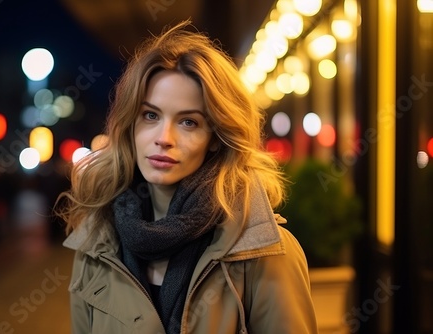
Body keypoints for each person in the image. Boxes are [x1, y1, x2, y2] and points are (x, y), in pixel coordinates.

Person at [57, 20, 318, 334]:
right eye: (150, 115)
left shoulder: (264, 250)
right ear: (130, 126)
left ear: (216, 138)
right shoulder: (96, 245)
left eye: (189, 122)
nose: (164, 137)